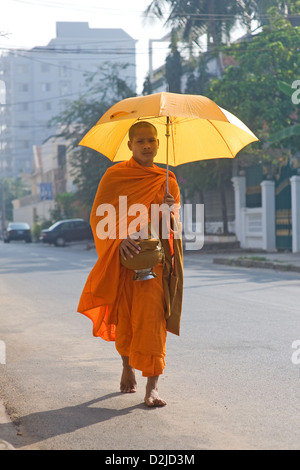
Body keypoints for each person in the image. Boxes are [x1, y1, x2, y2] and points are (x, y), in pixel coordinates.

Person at [77, 121, 183, 407]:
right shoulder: (115, 176)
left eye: (152, 140)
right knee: (125, 319)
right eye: (140, 141)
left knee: (152, 322)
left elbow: (170, 230)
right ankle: (126, 365)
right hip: (125, 261)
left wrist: (168, 210)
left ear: (159, 144)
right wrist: (118, 238)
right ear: (130, 146)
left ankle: (152, 388)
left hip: (154, 263)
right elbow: (99, 217)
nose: (147, 146)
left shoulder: (167, 180)